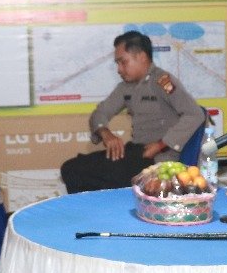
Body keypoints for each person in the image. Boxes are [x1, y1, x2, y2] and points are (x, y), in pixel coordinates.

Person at [60, 30, 206, 193]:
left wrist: (160, 144)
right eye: (117, 63)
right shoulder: (126, 87)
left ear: (142, 57)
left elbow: (195, 114)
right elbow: (100, 113)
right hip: (136, 152)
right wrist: (105, 132)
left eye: (123, 62)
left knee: (80, 172)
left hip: (157, 159)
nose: (119, 69)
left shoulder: (163, 81)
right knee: (71, 169)